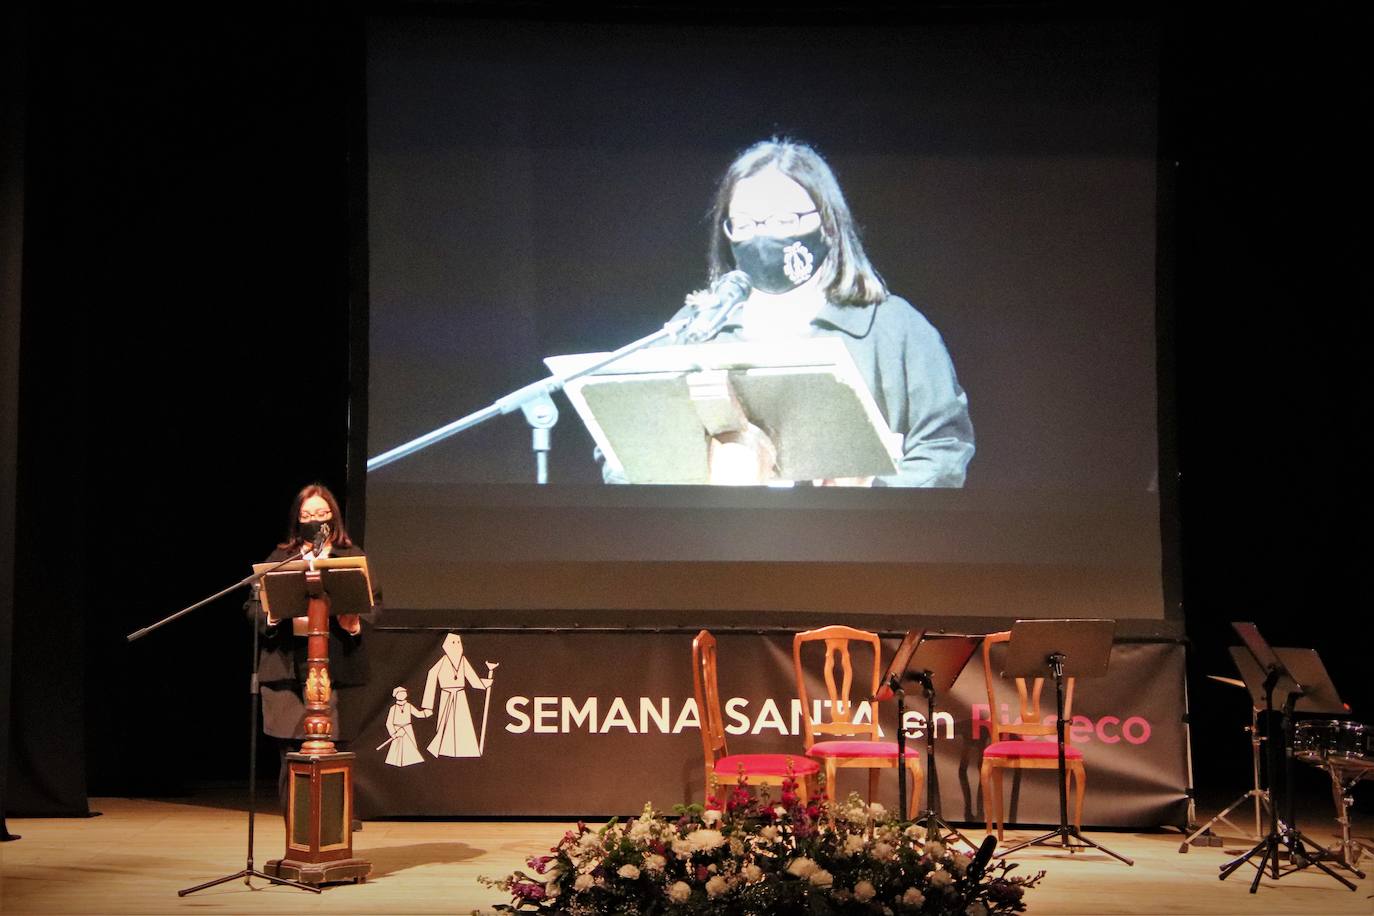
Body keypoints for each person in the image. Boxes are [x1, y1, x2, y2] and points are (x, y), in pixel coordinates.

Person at [676, 138, 974, 487]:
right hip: (721, 536)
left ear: (828, 224)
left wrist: (871, 493)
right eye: (744, 224)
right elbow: (627, 444)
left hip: (858, 536)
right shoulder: (697, 327)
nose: (762, 237)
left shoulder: (894, 328)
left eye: (784, 220)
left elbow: (943, 450)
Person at [245, 483, 380, 809]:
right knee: (291, 758)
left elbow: (375, 606)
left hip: (337, 672)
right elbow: (252, 607)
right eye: (307, 514)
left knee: (336, 755)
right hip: (287, 673)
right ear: (297, 520)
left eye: (321, 513)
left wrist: (354, 623)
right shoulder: (279, 559)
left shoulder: (352, 556)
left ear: (333, 517)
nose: (314, 519)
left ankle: (335, 838)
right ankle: (297, 838)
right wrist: (272, 615)